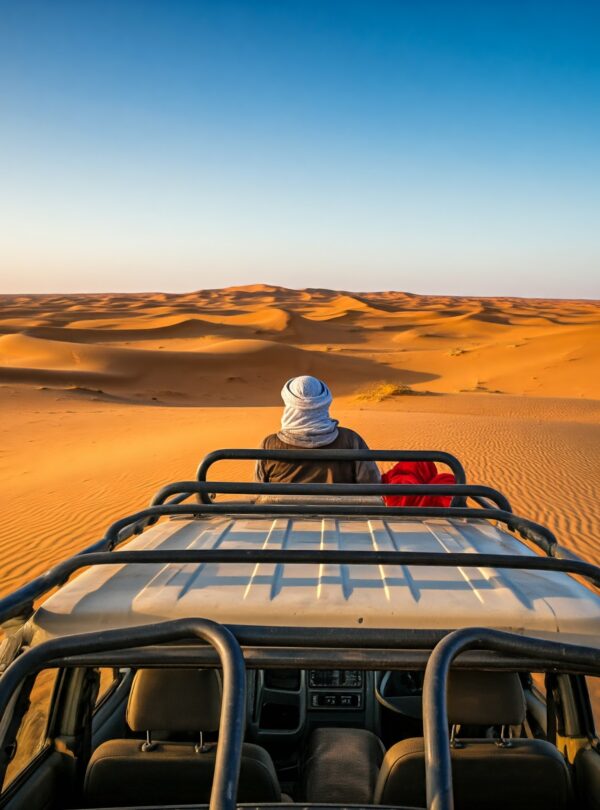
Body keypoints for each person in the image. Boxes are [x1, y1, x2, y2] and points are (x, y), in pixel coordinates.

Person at [254, 376, 380, 484]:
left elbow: (258, 489)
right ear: (325, 401)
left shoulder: (269, 444)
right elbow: (371, 484)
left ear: (288, 402)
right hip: (339, 512)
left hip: (283, 512)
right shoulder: (351, 440)